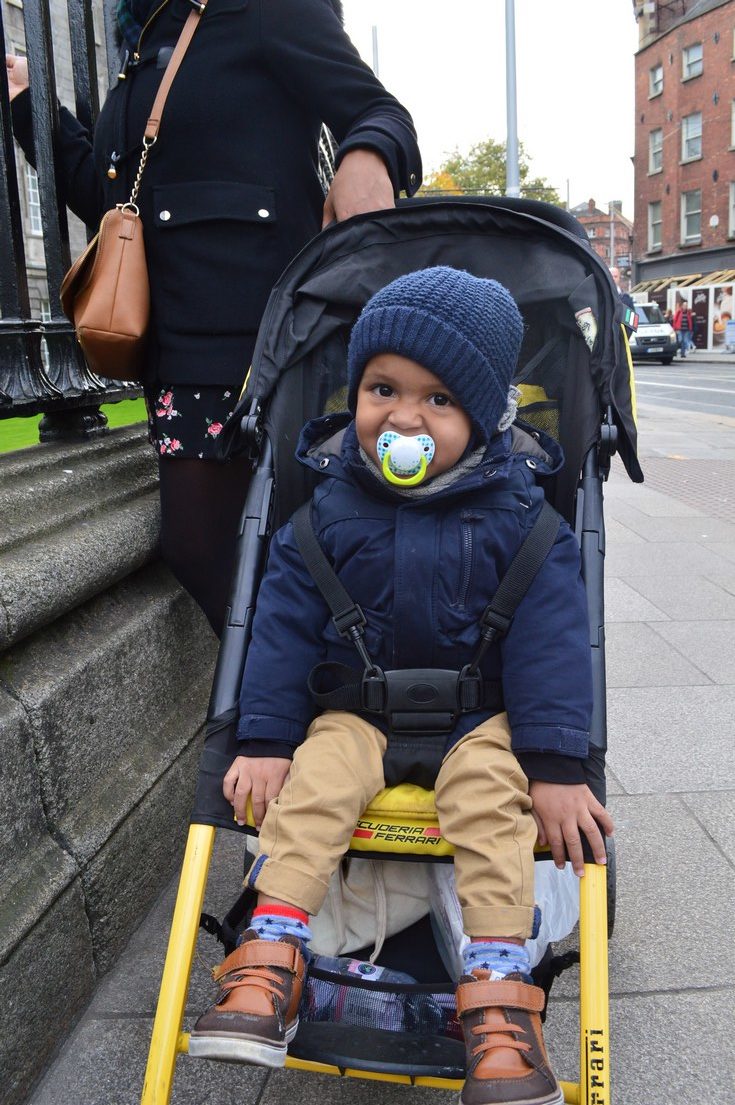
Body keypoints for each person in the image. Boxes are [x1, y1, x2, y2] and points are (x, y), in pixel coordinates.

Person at [189, 267, 614, 1105]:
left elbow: (553, 646)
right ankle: (271, 953)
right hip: (355, 710)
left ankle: (496, 992)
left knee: (495, 801)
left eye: (438, 400)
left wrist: (559, 766)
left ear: (485, 416)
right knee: (314, 779)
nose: (404, 417)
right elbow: (276, 629)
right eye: (383, 388)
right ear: (357, 392)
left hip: (479, 717)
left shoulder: (523, 519)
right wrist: (266, 740)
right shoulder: (328, 511)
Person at [5, 0, 421, 636]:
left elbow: (377, 110)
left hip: (260, 333)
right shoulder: (146, 35)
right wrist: (27, 104)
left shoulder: (265, 9)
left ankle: (301, 712)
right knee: (214, 549)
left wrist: (366, 155)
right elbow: (113, 198)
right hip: (178, 346)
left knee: (235, 545)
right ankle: (295, 712)